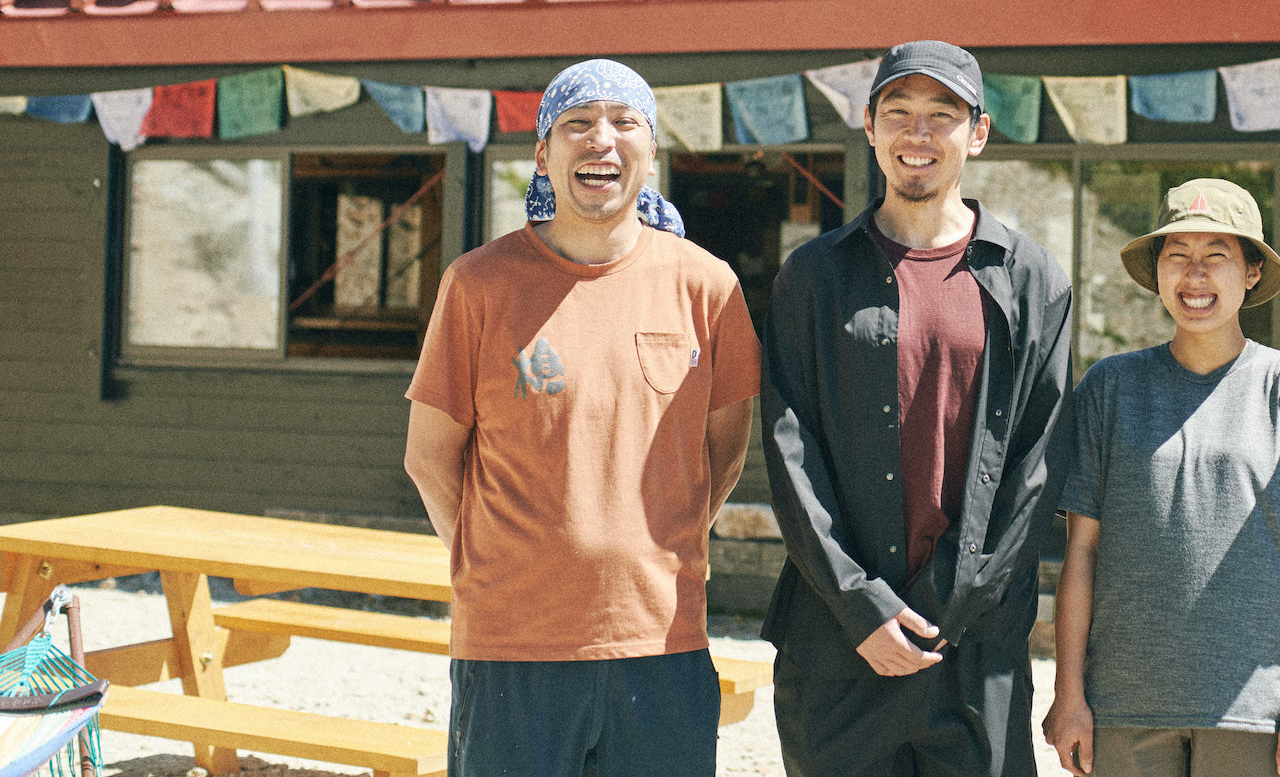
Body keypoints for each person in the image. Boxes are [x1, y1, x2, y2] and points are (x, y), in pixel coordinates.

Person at [404, 59, 761, 777]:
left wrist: (657, 544)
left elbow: (723, 448)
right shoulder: (477, 284)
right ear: (543, 154)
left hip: (662, 638)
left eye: (625, 122)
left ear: (650, 153)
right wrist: (496, 560)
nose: (602, 138)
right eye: (578, 123)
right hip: (511, 645)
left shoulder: (707, 286)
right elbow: (430, 456)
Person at [761, 40, 1074, 777]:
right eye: (898, 112)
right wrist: (860, 603)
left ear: (979, 132)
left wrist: (949, 603)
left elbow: (1039, 466)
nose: (918, 133)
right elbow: (789, 452)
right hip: (837, 643)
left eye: (942, 114)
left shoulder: (1030, 279)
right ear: (869, 127)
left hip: (973, 647)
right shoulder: (814, 276)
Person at [1043, 179, 1280, 777]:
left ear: (1251, 272)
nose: (1195, 275)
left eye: (1216, 255)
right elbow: (1081, 553)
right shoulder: (1109, 388)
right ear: (1157, 272)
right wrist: (1069, 694)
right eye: (1178, 255)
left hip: (1255, 710)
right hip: (1124, 704)